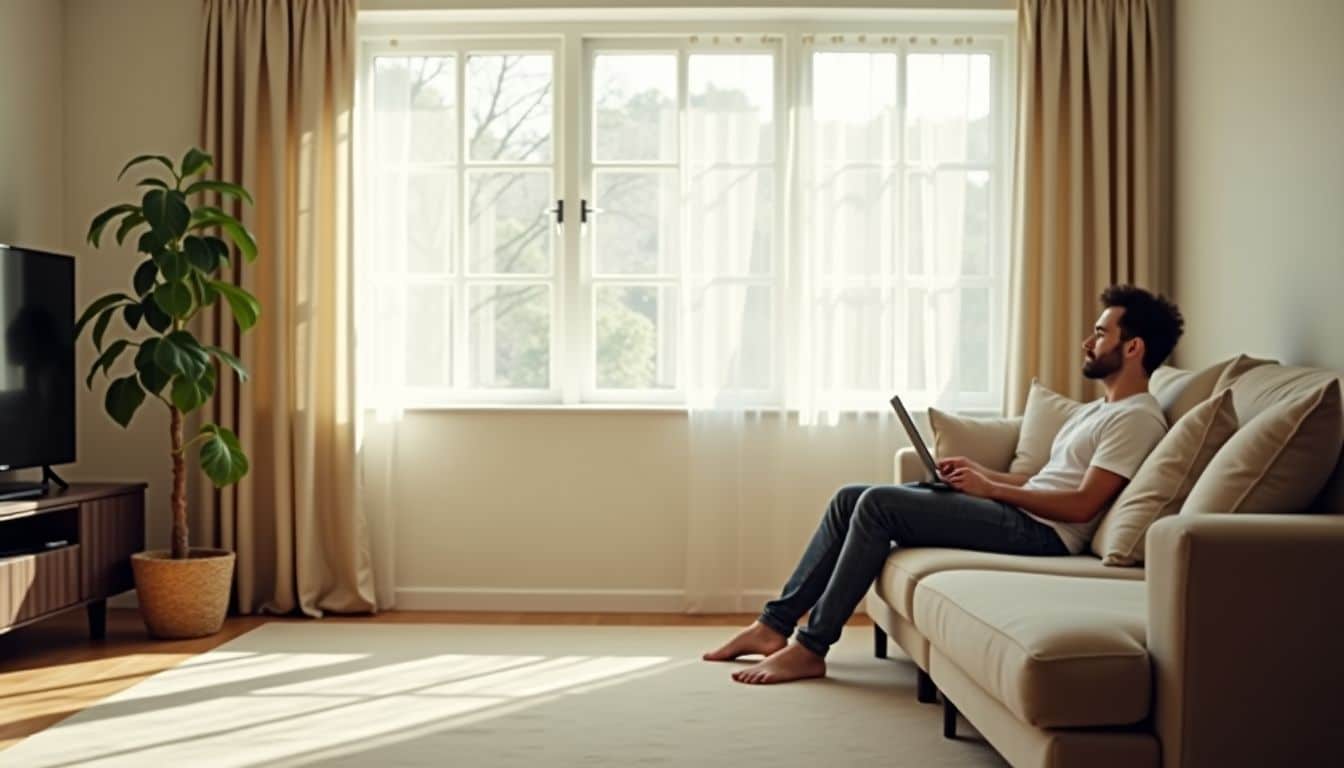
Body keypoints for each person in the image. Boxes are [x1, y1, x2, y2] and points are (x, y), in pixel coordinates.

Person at [703, 284, 1184, 685]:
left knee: (876, 505)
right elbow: (1043, 480)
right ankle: (773, 625)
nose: (1088, 342)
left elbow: (1082, 507)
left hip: (1046, 535)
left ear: (1133, 347)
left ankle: (811, 648)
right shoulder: (1099, 411)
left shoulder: (1136, 420)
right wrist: (980, 475)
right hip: (1021, 513)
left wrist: (992, 491)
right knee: (850, 496)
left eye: (1101, 333)